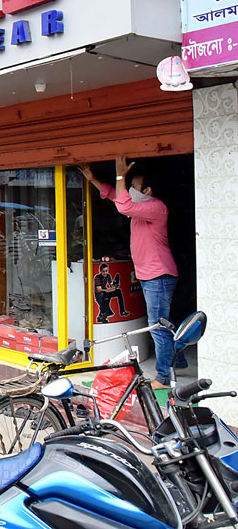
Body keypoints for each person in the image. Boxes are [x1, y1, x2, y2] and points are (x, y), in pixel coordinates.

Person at [81, 157, 180, 389]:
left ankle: (163, 378)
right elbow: (115, 196)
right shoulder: (140, 209)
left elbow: (123, 204)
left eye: (134, 186)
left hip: (159, 276)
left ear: (149, 190)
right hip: (152, 276)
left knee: (158, 325)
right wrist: (93, 179)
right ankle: (179, 360)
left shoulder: (155, 207)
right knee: (163, 323)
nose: (130, 190)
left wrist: (119, 176)